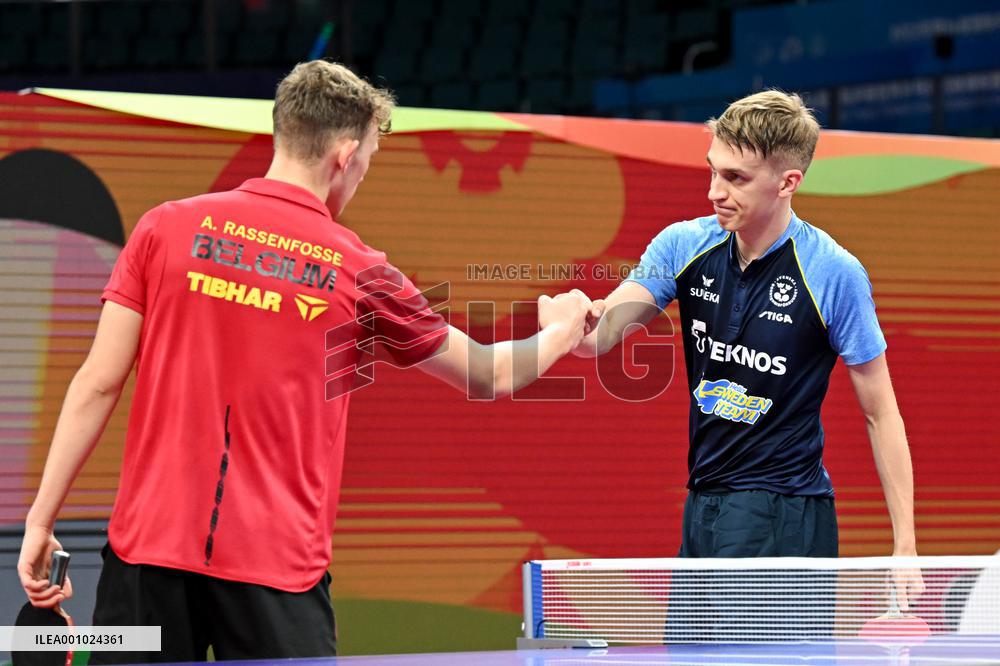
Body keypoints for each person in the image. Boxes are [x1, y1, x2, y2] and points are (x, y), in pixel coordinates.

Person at [17, 60, 598, 663]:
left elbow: (97, 384)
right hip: (278, 576)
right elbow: (489, 373)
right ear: (345, 153)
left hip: (146, 562)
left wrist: (41, 520)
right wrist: (559, 332)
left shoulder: (165, 228)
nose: (363, 174)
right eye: (370, 158)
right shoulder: (359, 267)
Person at [550, 90, 924, 608]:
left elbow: (882, 413)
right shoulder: (683, 245)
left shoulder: (834, 274)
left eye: (736, 178)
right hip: (704, 503)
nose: (714, 192)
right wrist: (566, 324)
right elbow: (602, 335)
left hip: (786, 513)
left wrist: (905, 543)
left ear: (788, 182)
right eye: (713, 171)